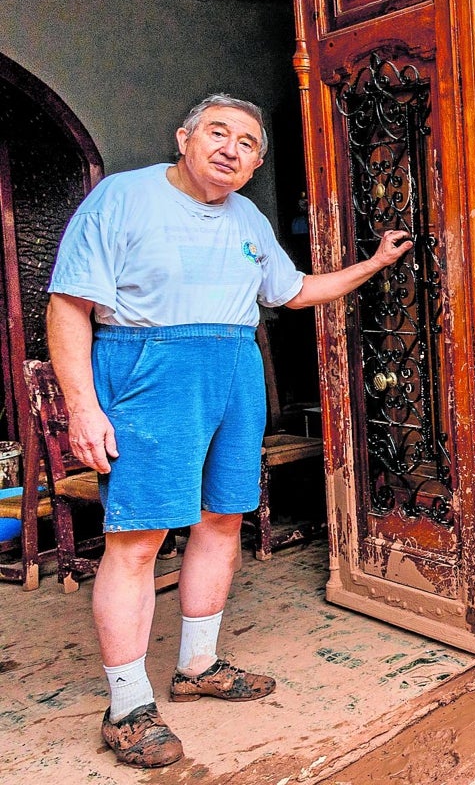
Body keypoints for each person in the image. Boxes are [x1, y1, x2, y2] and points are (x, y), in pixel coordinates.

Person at [46, 94, 412, 768]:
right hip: (150, 369)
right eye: (219, 132)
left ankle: (198, 665)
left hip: (233, 369)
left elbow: (292, 290)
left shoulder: (245, 215)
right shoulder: (121, 199)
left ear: (256, 163)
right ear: (184, 136)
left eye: (248, 143)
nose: (231, 148)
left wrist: (374, 265)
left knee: (222, 519)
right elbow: (68, 303)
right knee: (139, 537)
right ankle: (127, 708)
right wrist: (83, 408)